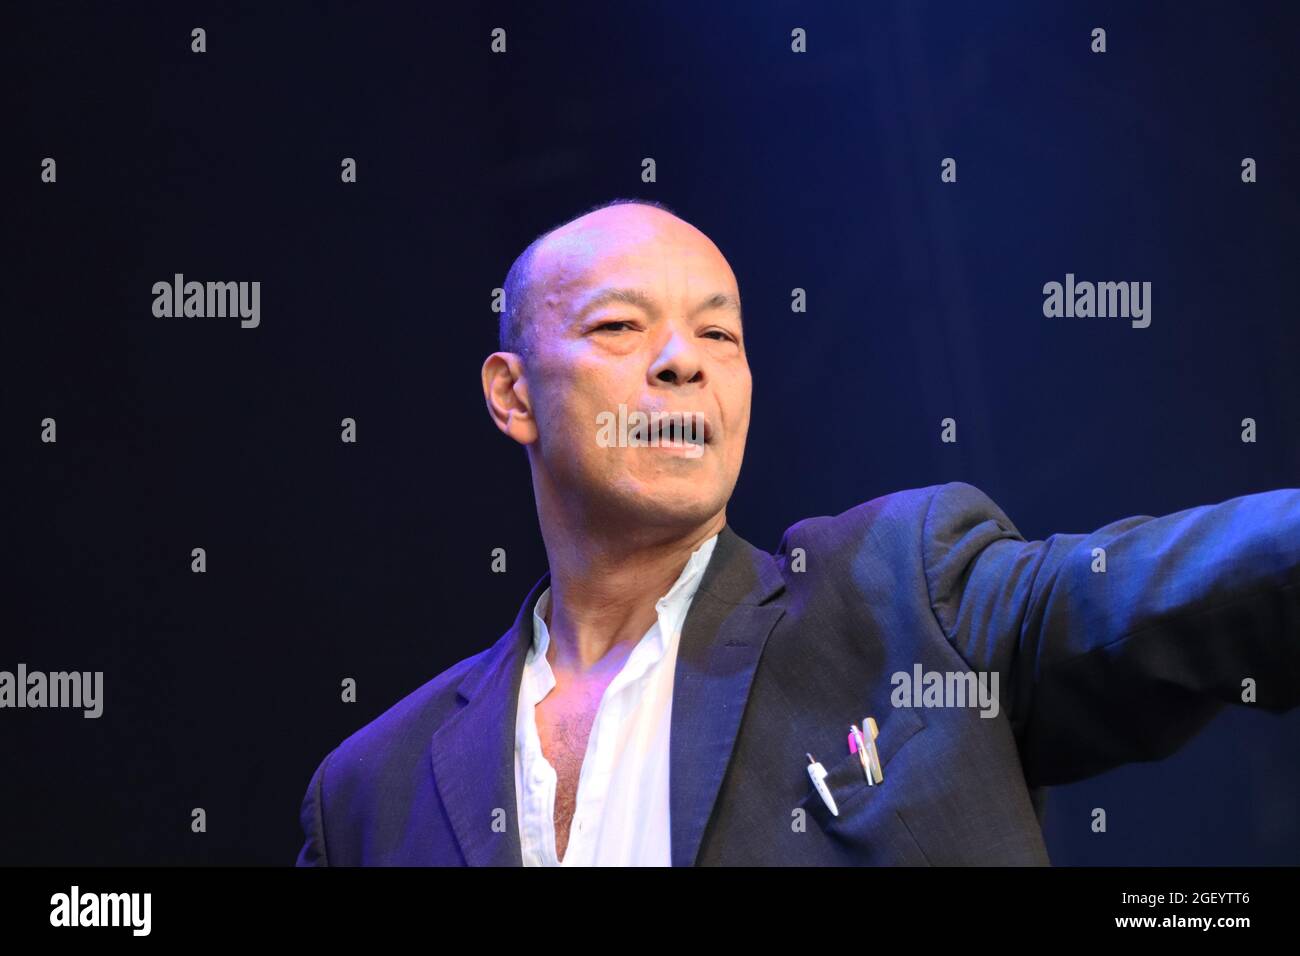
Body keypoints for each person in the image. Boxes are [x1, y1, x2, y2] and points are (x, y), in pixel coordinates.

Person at [295, 198, 1300, 866]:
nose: (682, 360)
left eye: (720, 334)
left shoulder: (901, 598)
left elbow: (1165, 586)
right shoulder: (367, 794)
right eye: (617, 327)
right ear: (512, 394)